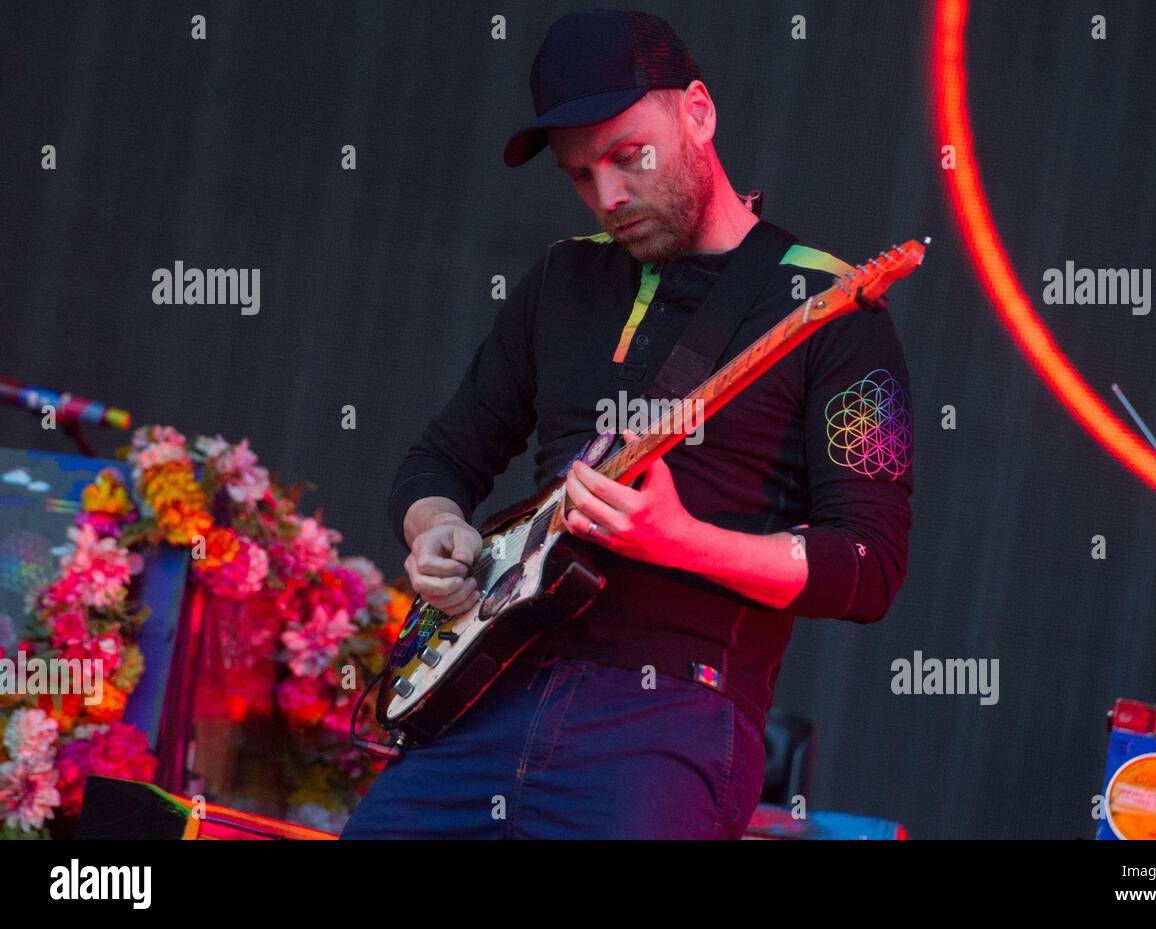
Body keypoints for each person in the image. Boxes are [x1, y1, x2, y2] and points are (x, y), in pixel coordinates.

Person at [340, 9, 913, 840]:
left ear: (699, 113)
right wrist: (436, 529)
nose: (608, 196)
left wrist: (679, 540)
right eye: (580, 175)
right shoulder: (562, 278)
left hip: (671, 722)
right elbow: (439, 459)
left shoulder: (840, 312)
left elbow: (871, 566)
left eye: (627, 155)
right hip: (487, 698)